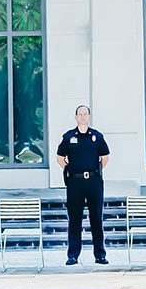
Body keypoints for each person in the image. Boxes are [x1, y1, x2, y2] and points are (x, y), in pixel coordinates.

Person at [56, 104, 110, 265]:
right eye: (80, 114)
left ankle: (100, 255)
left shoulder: (97, 136)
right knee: (74, 219)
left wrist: (95, 171)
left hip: (93, 182)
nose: (83, 116)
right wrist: (69, 168)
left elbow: (105, 157)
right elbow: (60, 157)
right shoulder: (69, 137)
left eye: (85, 114)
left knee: (96, 219)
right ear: (75, 117)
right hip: (75, 182)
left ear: (89, 116)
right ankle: (73, 255)